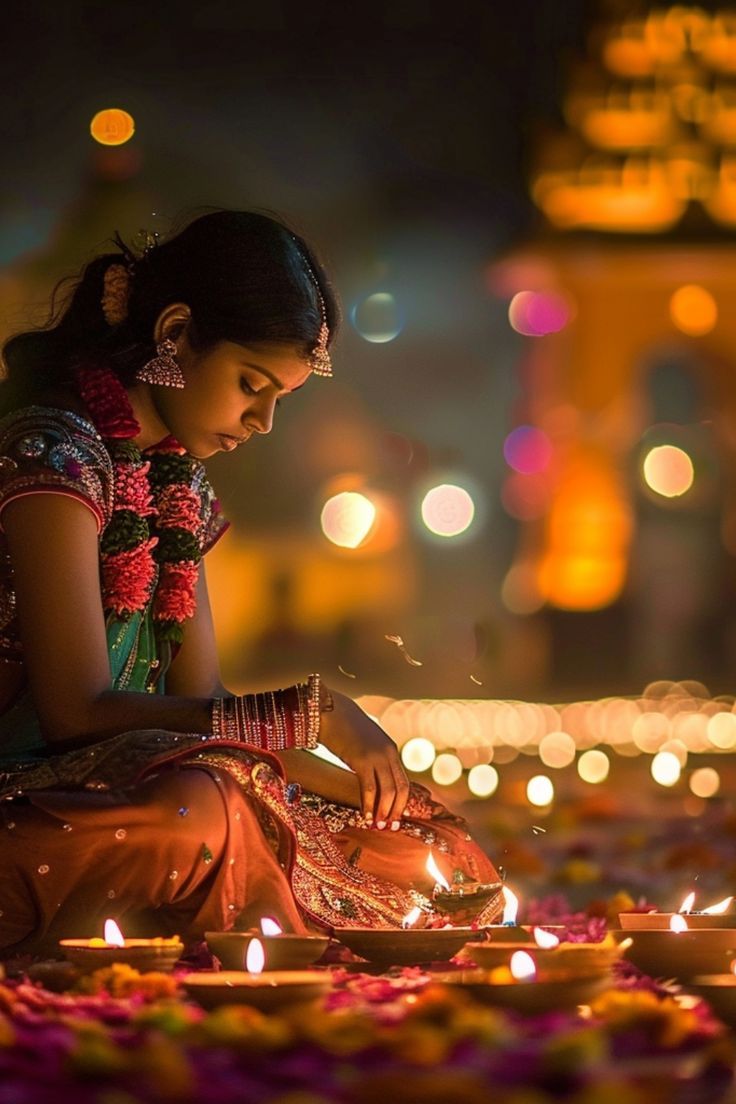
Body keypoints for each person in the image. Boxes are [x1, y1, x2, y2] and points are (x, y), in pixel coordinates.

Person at [0, 210, 501, 956]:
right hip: (33, 802)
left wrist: (369, 794)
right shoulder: (52, 460)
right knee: (208, 813)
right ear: (174, 334)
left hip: (145, 785)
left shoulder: (180, 490)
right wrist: (315, 715)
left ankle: (204, 911)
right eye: (250, 383)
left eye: (280, 398)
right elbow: (77, 714)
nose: (262, 420)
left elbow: (204, 715)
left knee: (426, 841)